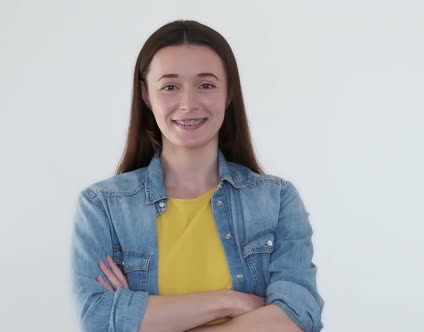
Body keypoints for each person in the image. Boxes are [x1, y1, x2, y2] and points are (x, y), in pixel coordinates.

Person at [70, 19, 324, 332]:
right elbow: (95, 318)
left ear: (229, 92)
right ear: (146, 95)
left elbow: (299, 316)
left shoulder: (277, 200)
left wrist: (141, 318)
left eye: (206, 85)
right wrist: (230, 301)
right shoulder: (103, 207)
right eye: (170, 86)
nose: (188, 104)